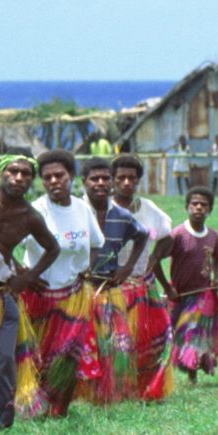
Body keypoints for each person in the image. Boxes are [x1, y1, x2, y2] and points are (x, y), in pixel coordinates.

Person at [0, 155, 59, 429]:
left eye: (25, 173)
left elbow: (53, 248)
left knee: (3, 363)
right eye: (13, 171)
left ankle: (0, 422)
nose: (19, 178)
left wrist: (28, 277)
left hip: (1, 295)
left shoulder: (30, 216)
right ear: (1, 173)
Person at [17, 150, 104, 418]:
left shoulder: (82, 207)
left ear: (71, 177)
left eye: (60, 175)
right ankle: (36, 407)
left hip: (74, 296)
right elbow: (4, 247)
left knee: (68, 356)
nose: (54, 181)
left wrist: (84, 270)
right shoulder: (34, 211)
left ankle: (60, 410)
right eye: (47, 177)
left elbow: (96, 244)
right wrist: (26, 275)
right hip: (39, 298)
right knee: (40, 356)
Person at [81, 158, 147, 402]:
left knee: (119, 343)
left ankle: (113, 391)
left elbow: (143, 236)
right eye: (94, 179)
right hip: (81, 290)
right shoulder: (76, 209)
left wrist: (126, 268)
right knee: (87, 344)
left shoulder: (122, 215)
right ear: (83, 182)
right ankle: (85, 392)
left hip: (110, 288)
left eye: (105, 178)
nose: (100, 183)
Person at [109, 155, 174, 400]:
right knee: (117, 341)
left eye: (132, 178)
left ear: (138, 181)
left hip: (142, 285)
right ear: (113, 180)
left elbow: (167, 236)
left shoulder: (149, 209)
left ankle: (141, 386)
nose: (126, 183)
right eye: (121, 178)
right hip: (111, 286)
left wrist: (152, 261)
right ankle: (114, 388)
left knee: (145, 340)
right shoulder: (102, 207)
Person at [161, 188, 218, 384]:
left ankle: (193, 375)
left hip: (202, 295)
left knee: (193, 332)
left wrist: (216, 279)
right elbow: (155, 261)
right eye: (194, 204)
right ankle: (195, 362)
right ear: (187, 207)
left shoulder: (213, 236)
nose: (198, 207)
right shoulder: (177, 234)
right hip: (179, 294)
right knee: (178, 335)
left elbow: (217, 259)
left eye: (203, 205)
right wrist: (167, 288)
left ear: (210, 209)